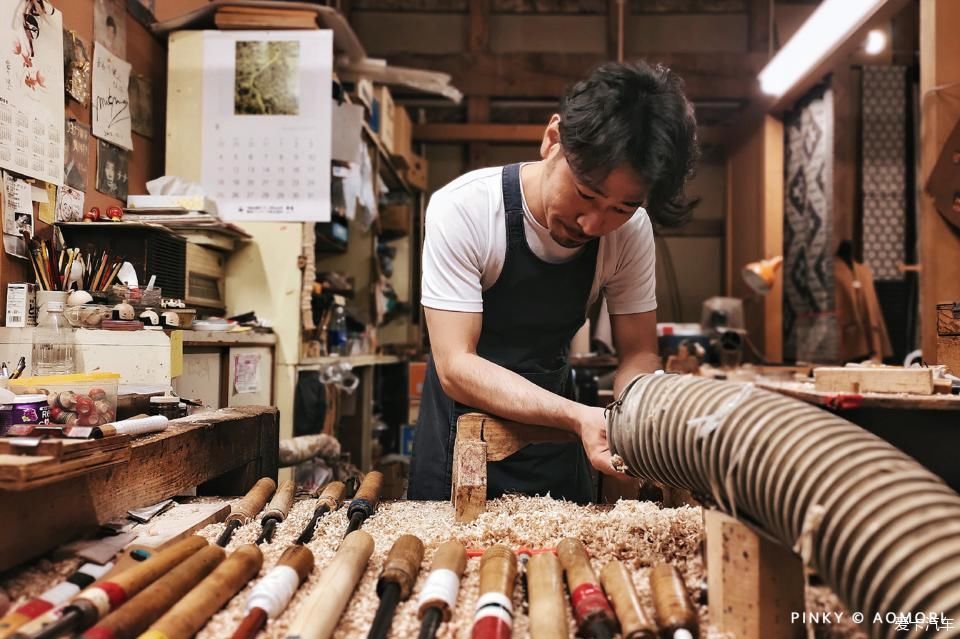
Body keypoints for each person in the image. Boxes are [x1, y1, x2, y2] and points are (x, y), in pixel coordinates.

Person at [408, 61, 700, 502]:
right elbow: (456, 366)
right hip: (459, 442)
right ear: (552, 140)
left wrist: (630, 421)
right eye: (585, 193)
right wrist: (577, 416)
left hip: (557, 444)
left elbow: (638, 351)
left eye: (620, 207)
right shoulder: (465, 209)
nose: (592, 222)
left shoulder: (631, 231)